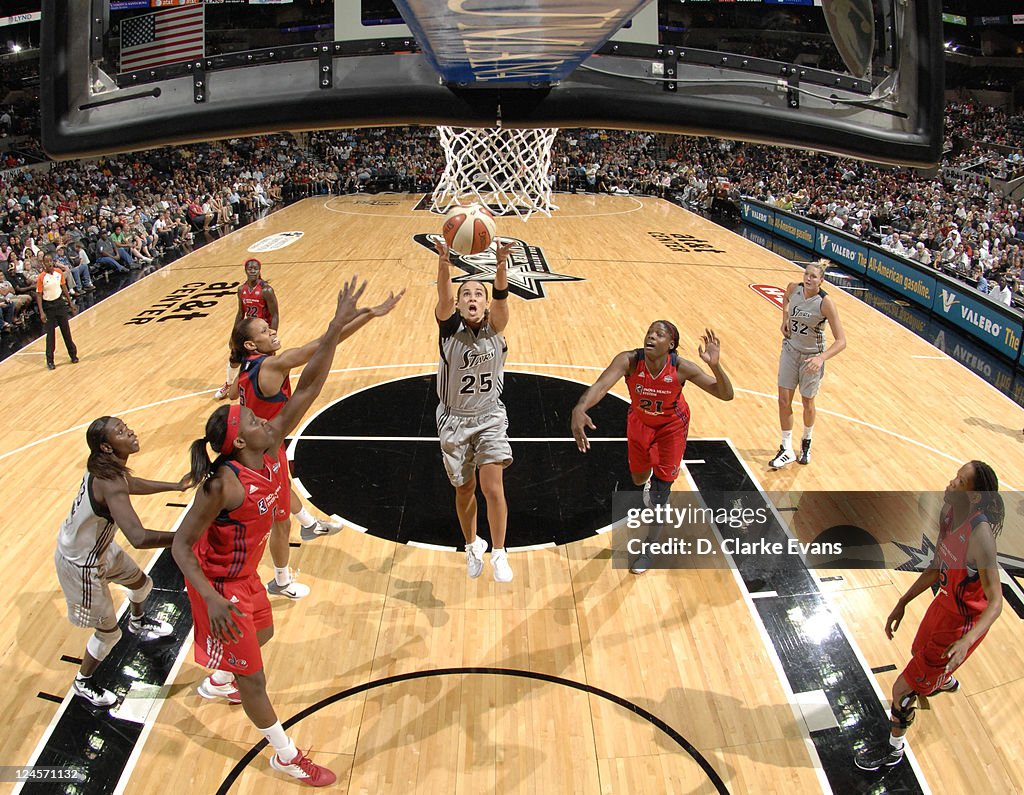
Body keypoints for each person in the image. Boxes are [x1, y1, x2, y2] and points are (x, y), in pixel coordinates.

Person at [172, 277, 369, 787]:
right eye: (252, 422)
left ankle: (218, 679)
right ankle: (285, 754)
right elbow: (179, 544)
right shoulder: (222, 484)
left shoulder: (267, 444)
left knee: (264, 634)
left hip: (247, 576)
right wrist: (211, 598)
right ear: (239, 440)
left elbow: (310, 386)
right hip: (221, 586)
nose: (265, 422)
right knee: (254, 678)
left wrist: (334, 327)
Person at [226, 283, 404, 597]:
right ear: (252, 345)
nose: (273, 332)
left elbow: (325, 342)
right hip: (263, 455)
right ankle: (281, 581)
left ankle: (309, 524)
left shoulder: (251, 366)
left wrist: (369, 315)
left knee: (285, 493)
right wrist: (365, 317)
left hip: (264, 445)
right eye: (266, 331)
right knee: (279, 522)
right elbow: (324, 344)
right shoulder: (272, 365)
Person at [855, 461, 1004, 771]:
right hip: (944, 606)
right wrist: (903, 600)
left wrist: (966, 642)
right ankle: (943, 678)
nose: (950, 483)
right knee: (916, 654)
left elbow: (996, 602)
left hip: (960, 626)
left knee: (902, 690)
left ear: (974, 497)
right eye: (955, 476)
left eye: (960, 481)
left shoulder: (981, 536)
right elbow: (937, 565)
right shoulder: (949, 514)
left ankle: (894, 749)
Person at [571, 322, 734, 573]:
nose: (651, 336)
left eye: (659, 334)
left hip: (671, 429)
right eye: (649, 332)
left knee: (660, 495)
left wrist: (715, 365)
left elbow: (726, 394)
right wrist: (580, 407)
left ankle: (650, 547)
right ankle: (652, 485)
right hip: (639, 422)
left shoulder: (681, 368)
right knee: (638, 479)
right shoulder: (629, 361)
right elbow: (601, 386)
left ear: (670, 345)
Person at [55, 417, 192, 707]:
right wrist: (183, 537)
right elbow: (139, 537)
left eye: (125, 426)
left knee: (142, 584)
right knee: (107, 633)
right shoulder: (108, 480)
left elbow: (129, 483)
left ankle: (138, 621)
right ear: (106, 447)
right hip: (81, 564)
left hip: (97, 548)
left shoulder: (108, 470)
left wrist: (175, 486)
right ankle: (83, 681)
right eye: (119, 431)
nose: (129, 431)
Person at [434, 237, 516, 582]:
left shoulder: (496, 326)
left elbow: (501, 301)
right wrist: (443, 263)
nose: (472, 298)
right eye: (466, 293)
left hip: (489, 417)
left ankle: (499, 552)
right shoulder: (449, 329)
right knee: (463, 489)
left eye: (477, 294)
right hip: (454, 419)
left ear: (484, 304)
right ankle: (472, 544)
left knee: (493, 487)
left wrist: (499, 267)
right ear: (459, 302)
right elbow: (442, 297)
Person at [769, 259, 846, 469]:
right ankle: (786, 448)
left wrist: (821, 358)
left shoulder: (825, 302)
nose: (808, 279)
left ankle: (806, 441)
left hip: (812, 357)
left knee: (807, 402)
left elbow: (842, 341)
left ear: (821, 281)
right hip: (790, 350)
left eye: (813, 276)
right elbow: (785, 300)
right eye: (806, 274)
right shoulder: (793, 289)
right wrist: (784, 319)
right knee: (783, 399)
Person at [214, 258, 279, 400]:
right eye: (250, 268)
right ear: (245, 270)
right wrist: (233, 335)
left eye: (255, 268)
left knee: (265, 365)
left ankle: (269, 391)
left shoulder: (266, 290)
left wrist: (272, 334)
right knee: (234, 358)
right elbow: (240, 313)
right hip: (247, 331)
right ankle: (229, 384)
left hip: (262, 332)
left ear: (259, 270)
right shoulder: (241, 290)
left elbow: (275, 315)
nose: (253, 271)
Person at [36, 251, 79, 370]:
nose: (49, 263)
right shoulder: (41, 277)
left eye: (50, 261)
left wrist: (70, 303)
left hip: (60, 304)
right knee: (50, 335)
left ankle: (73, 355)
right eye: (46, 261)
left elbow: (64, 287)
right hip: (48, 307)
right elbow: (39, 295)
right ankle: (50, 361)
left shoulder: (59, 272)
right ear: (43, 263)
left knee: (66, 331)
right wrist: (41, 312)